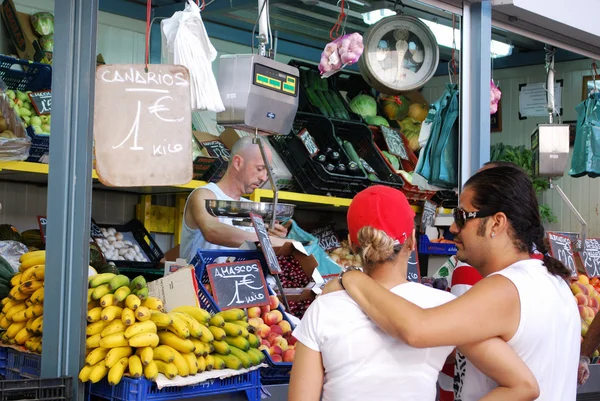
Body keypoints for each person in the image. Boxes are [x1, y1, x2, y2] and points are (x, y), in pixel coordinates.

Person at [323, 166, 581, 400]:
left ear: (496, 223)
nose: (453, 229)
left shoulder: (507, 288)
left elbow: (417, 329)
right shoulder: (554, 284)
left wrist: (352, 277)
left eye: (462, 216)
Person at [289, 185, 540, 401]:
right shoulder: (445, 308)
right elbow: (524, 385)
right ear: (411, 240)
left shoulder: (324, 308)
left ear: (352, 243)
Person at [179, 136, 289, 261]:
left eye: (267, 171)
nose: (264, 178)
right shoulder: (204, 195)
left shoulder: (251, 207)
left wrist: (276, 237)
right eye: (259, 169)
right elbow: (212, 231)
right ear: (238, 162)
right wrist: (265, 240)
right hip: (200, 279)